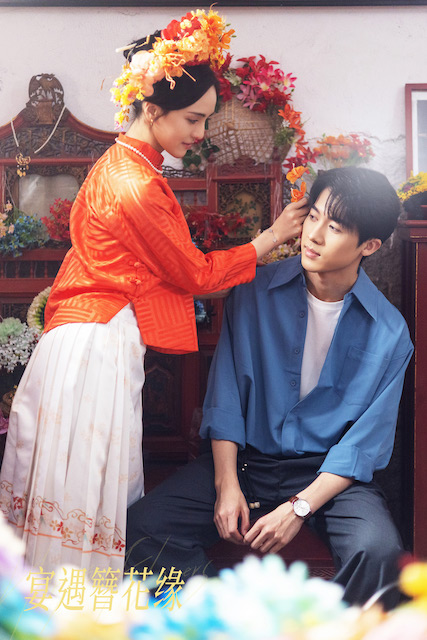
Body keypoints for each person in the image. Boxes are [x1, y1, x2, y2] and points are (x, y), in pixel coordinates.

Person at [0, 9, 308, 576]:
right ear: (152, 109)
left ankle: (55, 605)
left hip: (81, 337)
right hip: (96, 343)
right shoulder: (136, 184)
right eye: (193, 119)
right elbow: (197, 275)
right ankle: (75, 610)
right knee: (88, 491)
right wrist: (270, 238)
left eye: (205, 121)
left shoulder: (117, 166)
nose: (199, 134)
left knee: (73, 488)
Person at [126, 166, 414, 606]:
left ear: (369, 246)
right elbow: (225, 400)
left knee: (378, 552)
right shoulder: (253, 294)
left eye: (335, 227)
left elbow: (364, 444)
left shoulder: (390, 332)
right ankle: (220, 620)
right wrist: (226, 484)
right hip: (246, 462)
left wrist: (299, 507)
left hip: (330, 476)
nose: (314, 235)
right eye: (313, 217)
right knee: (141, 527)